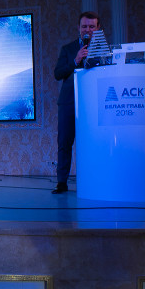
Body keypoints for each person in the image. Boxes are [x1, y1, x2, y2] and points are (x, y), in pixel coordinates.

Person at [52, 11, 101, 194]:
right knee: (64, 142)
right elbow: (58, 74)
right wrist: (75, 60)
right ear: (78, 28)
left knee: (92, 142)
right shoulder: (68, 48)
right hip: (69, 102)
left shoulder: (103, 49)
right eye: (84, 26)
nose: (87, 30)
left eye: (91, 26)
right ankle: (61, 182)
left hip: (93, 103)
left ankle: (93, 179)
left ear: (97, 28)